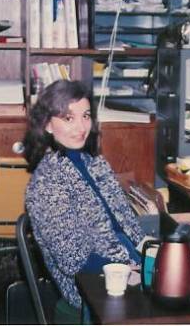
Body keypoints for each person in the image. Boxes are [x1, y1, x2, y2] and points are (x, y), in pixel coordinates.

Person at [23, 80, 146, 323]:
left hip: (126, 260)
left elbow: (128, 224)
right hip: (90, 282)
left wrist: (150, 253)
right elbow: (74, 261)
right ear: (48, 124)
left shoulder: (94, 162)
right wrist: (128, 269)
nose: (81, 127)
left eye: (86, 116)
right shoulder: (46, 183)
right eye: (69, 118)